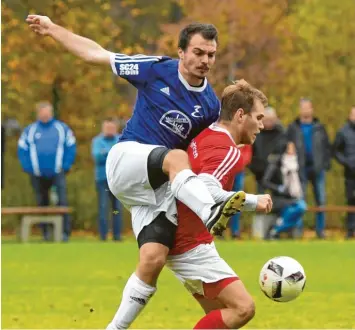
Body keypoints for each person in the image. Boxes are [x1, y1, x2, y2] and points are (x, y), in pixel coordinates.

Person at [26, 15, 247, 325]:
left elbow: (199, 154)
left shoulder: (209, 105)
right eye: (198, 52)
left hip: (154, 190)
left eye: (211, 54)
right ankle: (211, 209)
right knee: (174, 158)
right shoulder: (154, 69)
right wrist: (52, 29)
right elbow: (96, 54)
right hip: (125, 161)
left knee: (153, 258)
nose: (205, 60)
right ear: (181, 52)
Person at [163, 80, 272, 330]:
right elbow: (205, 188)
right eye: (259, 117)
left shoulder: (207, 132)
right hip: (190, 243)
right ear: (240, 115)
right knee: (243, 308)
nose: (262, 125)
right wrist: (255, 201)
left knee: (221, 318)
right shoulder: (228, 151)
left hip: (180, 236)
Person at [17, 101, 76, 241]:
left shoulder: (62, 128)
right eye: (42, 112)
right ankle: (45, 233)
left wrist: (65, 166)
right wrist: (28, 168)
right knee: (41, 203)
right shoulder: (30, 130)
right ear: (38, 113)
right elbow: (22, 150)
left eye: (47, 112)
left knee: (62, 201)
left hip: (57, 173)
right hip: (37, 174)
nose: (45, 115)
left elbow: (71, 146)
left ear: (51, 113)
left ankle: (64, 233)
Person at [287, 98, 331, 238]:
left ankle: (320, 231)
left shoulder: (319, 127)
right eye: (303, 107)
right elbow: (285, 144)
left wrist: (325, 164)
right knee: (300, 201)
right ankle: (299, 231)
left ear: (312, 109)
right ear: (300, 110)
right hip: (300, 169)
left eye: (308, 107)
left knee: (321, 201)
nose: (305, 110)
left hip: (318, 169)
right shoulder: (293, 128)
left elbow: (326, 147)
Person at [261, 142, 307, 239]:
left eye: (293, 148)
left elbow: (301, 181)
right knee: (300, 207)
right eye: (289, 148)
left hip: (294, 197)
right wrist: (278, 188)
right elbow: (265, 181)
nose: (291, 151)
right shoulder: (276, 164)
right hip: (279, 198)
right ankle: (277, 229)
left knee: (296, 209)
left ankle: (275, 229)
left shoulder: (297, 164)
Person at [92, 118, 122, 241]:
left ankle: (117, 236)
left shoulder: (121, 139)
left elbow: (123, 157)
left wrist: (106, 153)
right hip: (102, 179)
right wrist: (113, 154)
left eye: (112, 128)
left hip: (118, 179)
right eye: (107, 128)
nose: (109, 130)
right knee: (103, 207)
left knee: (116, 209)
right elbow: (97, 157)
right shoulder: (97, 141)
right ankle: (103, 236)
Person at [249, 106, 286, 194]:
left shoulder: (282, 133)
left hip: (277, 173)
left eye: (272, 119)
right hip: (260, 173)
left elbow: (284, 152)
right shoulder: (256, 133)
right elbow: (252, 153)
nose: (269, 122)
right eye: (267, 119)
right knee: (261, 199)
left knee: (279, 198)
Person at [333, 106, 355, 239]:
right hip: (350, 174)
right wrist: (347, 162)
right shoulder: (343, 132)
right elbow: (335, 151)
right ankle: (350, 230)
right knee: (351, 200)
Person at [229, 144, 253, 239]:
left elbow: (247, 155)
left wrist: (238, 164)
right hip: (225, 170)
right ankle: (217, 230)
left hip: (238, 172)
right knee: (220, 200)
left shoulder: (244, 136)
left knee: (237, 202)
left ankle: (235, 231)